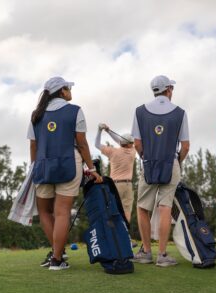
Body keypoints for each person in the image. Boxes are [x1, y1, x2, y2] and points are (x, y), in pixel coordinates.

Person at [27, 76, 102, 270]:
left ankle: (56, 254)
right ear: (62, 91)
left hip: (42, 167)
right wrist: (91, 169)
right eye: (68, 88)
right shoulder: (75, 111)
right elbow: (82, 143)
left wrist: (33, 167)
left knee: (44, 211)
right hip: (69, 164)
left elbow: (33, 145)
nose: (70, 91)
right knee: (62, 213)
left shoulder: (37, 114)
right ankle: (57, 259)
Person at [131, 75, 189, 267]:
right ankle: (162, 255)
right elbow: (186, 146)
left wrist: (146, 158)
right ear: (168, 89)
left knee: (142, 208)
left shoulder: (139, 111)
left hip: (148, 163)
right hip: (170, 163)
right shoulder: (180, 112)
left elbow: (137, 144)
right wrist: (177, 162)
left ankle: (146, 252)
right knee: (165, 207)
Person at [95, 124, 136, 223]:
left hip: (114, 185)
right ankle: (126, 233)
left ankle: (114, 234)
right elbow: (121, 141)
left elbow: (96, 144)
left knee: (112, 210)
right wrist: (109, 131)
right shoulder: (132, 151)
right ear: (130, 144)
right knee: (126, 211)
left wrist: (100, 130)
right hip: (128, 185)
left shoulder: (112, 152)